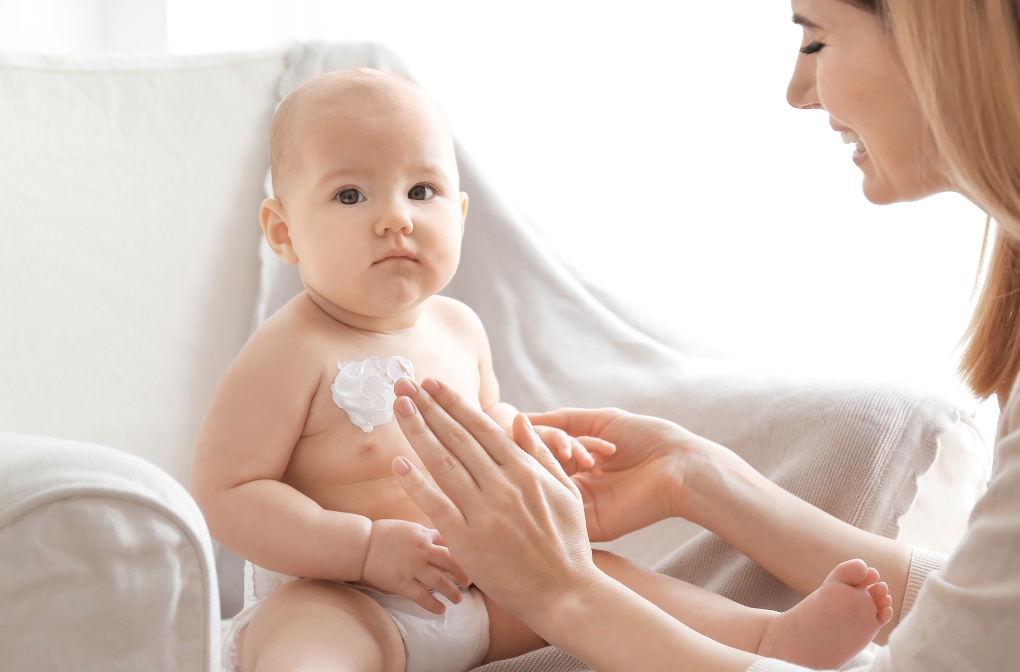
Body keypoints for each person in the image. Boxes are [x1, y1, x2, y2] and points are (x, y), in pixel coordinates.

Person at [385, 0, 1020, 670]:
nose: (797, 90)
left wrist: (561, 591)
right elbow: (1009, 622)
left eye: (815, 38)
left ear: (942, 38)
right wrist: (697, 479)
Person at [189, 67, 895, 672]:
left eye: (422, 192)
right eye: (351, 195)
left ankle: (764, 638)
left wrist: (534, 447)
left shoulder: (458, 328)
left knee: (605, 579)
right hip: (345, 595)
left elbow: (488, 427)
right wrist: (365, 547)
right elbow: (229, 492)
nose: (395, 220)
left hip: (482, 588)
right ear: (283, 231)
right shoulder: (287, 351)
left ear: (460, 215)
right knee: (307, 644)